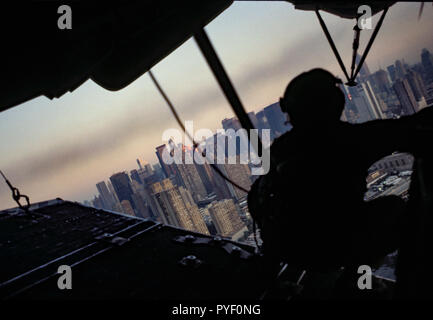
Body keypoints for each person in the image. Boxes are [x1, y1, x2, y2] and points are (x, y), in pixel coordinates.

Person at [248, 68, 433, 272]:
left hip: (292, 252)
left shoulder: (280, 148)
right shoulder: (346, 140)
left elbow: (255, 199)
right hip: (336, 246)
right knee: (394, 208)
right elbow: (405, 129)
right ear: (335, 103)